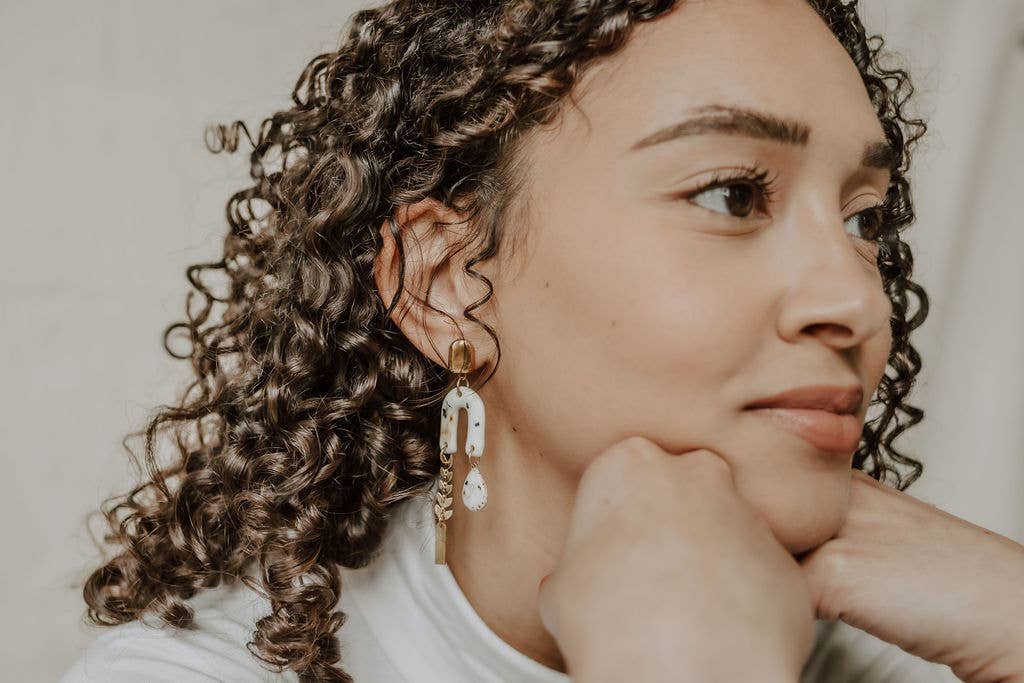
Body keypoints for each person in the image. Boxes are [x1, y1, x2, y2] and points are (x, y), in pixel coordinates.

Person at [58, 0, 1024, 681]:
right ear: (445, 284)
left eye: (866, 218)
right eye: (732, 194)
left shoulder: (929, 649)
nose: (855, 302)